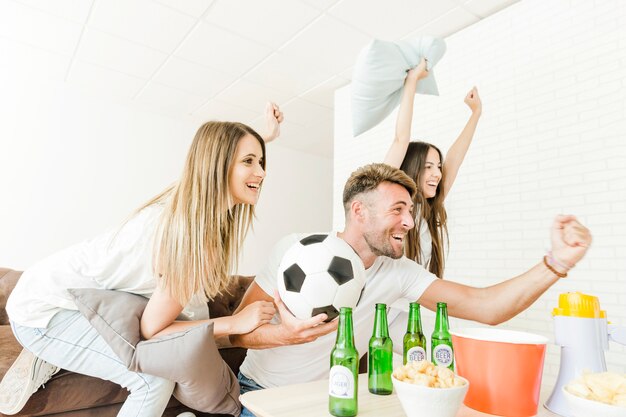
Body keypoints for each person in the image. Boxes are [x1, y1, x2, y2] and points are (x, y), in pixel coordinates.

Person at [231, 163, 591, 417]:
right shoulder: (294, 250)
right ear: (359, 211)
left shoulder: (399, 273)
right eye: (398, 209)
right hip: (264, 393)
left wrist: (556, 264)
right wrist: (284, 335)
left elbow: (486, 307)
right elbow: (238, 334)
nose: (409, 221)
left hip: (331, 395)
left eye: (411, 210)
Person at [0, 103, 284, 417]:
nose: (261, 172)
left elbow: (217, 154)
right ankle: (50, 349)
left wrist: (264, 136)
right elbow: (153, 331)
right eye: (249, 161)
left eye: (260, 161)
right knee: (153, 381)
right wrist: (234, 322)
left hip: (61, 295)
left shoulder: (191, 206)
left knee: (189, 324)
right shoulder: (188, 238)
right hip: (40, 311)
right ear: (217, 167)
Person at [385, 57, 482, 278]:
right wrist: (412, 81)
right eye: (428, 167)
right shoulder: (389, 198)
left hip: (409, 310)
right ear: (412, 168)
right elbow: (401, 139)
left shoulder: (427, 208)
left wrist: (476, 114)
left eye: (438, 166)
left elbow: (454, 161)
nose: (437, 174)